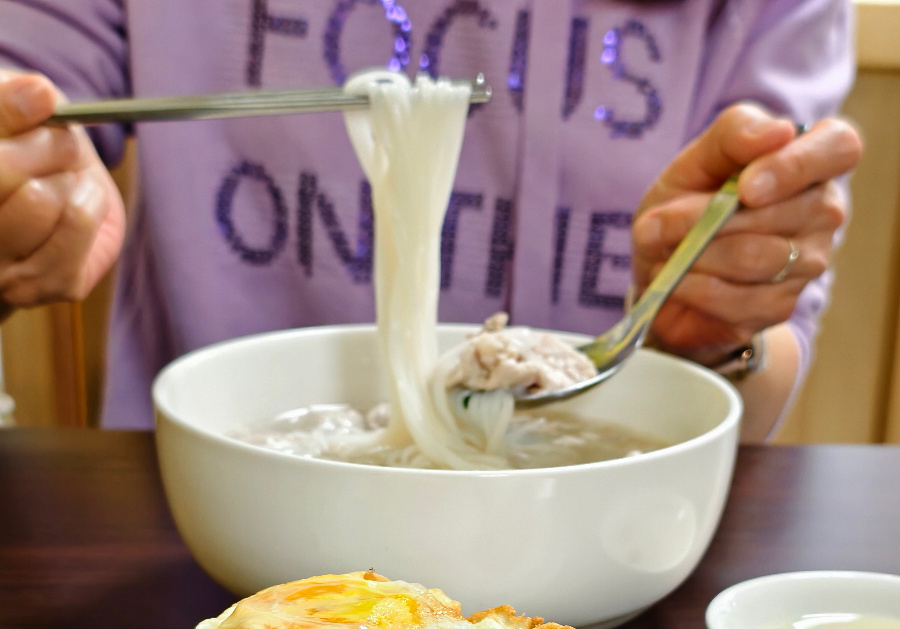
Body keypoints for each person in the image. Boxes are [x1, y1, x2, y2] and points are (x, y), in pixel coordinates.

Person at [0, 0, 861, 440]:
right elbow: (27, 83)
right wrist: (22, 192)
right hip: (213, 533)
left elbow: (765, 373)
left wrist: (711, 329)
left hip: (588, 543)